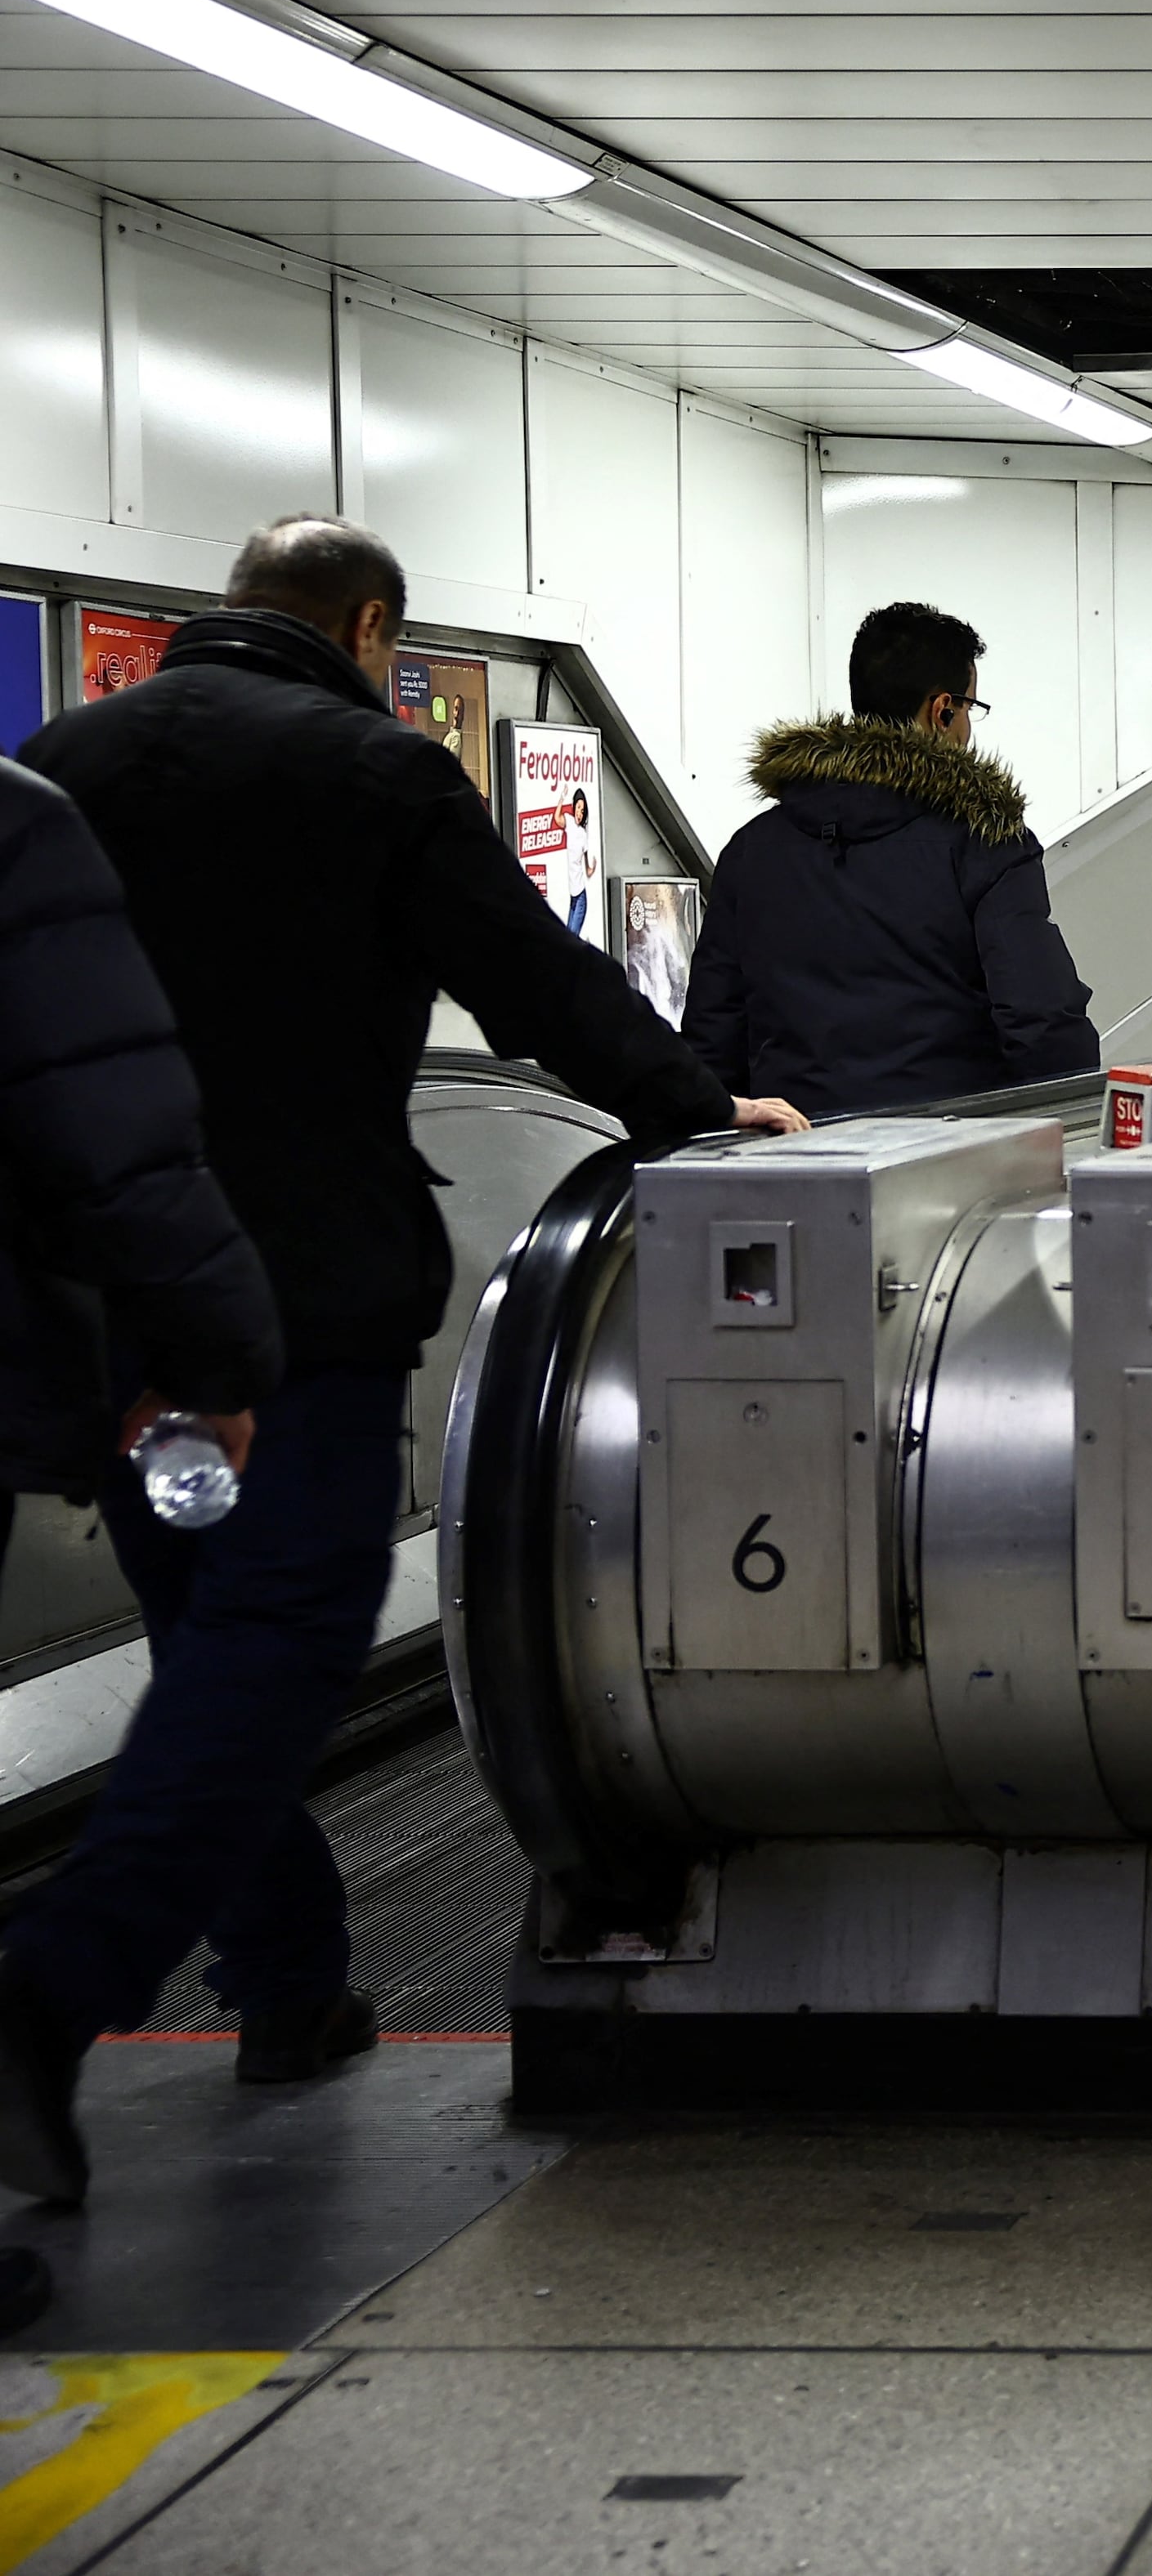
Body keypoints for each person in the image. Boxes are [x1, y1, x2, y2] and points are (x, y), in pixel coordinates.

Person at [0, 517, 802, 2207]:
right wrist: (697, 1110)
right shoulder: (371, 772)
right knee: (278, 1646)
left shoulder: (63, 758)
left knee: (203, 1640)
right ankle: (46, 1995)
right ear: (369, 628)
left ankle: (287, 1982)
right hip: (300, 1310)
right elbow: (533, 984)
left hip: (114, 1317)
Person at [0, 756, 286, 2338]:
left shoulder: (62, 782)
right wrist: (219, 1352)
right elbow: (113, 1132)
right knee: (255, 1638)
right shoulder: (11, 824)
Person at [680, 600, 1100, 1117]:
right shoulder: (984, 842)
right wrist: (1072, 1123)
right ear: (942, 709)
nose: (968, 726)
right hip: (947, 1160)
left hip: (793, 1158)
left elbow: (714, 1028)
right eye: (970, 707)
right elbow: (1040, 1017)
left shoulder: (751, 850)